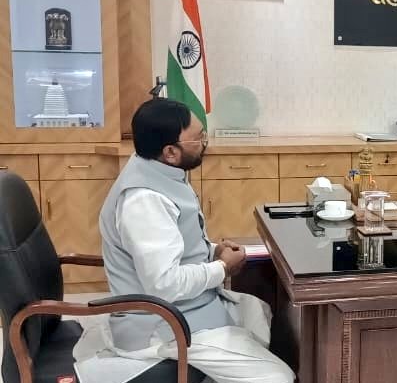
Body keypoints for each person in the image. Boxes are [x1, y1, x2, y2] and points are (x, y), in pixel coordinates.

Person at [74, 98, 294, 383]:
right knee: (278, 377)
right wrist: (222, 268)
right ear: (170, 152)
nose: (205, 143)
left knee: (259, 311)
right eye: (198, 138)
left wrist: (213, 250)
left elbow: (173, 242)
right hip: (161, 324)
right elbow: (165, 284)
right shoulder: (144, 201)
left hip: (189, 306)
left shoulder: (156, 169)